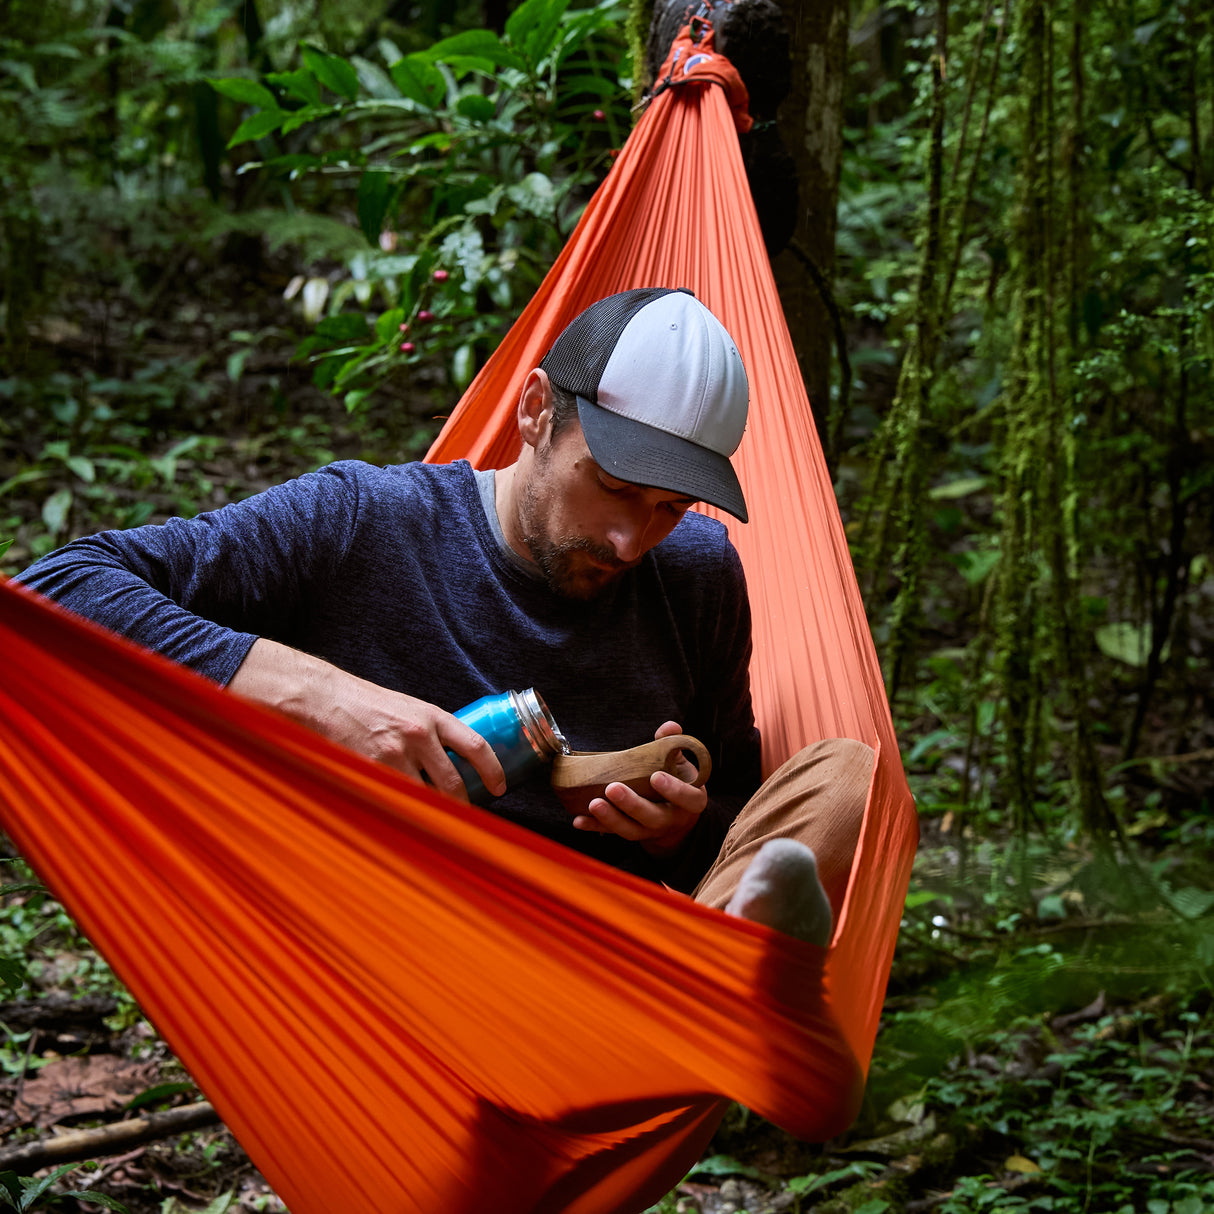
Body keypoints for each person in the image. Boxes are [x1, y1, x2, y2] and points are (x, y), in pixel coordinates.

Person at [16, 287, 870, 946]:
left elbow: (737, 810)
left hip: (611, 977)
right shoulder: (362, 521)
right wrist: (320, 696)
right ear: (536, 411)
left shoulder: (697, 576)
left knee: (844, 780)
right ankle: (744, 1001)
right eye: (611, 487)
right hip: (395, 968)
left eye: (668, 507)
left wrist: (676, 836)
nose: (629, 538)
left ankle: (727, 992)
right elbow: (57, 589)